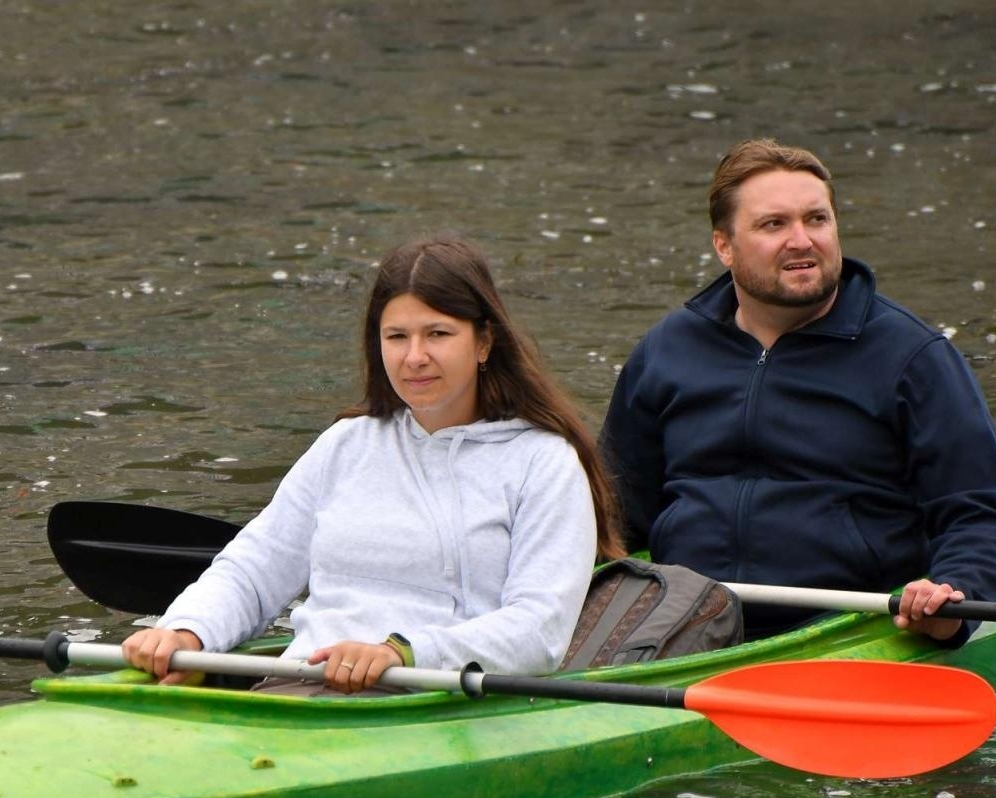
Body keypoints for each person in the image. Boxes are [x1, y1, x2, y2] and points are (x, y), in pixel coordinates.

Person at [123, 235, 624, 692]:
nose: (415, 357)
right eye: (397, 337)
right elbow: (253, 572)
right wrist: (188, 629)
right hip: (305, 685)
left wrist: (400, 651)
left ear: (485, 342)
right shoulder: (345, 445)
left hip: (444, 696)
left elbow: (539, 630)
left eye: (438, 334)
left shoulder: (545, 461)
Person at [601, 138, 996, 645]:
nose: (802, 240)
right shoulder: (666, 349)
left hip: (842, 621)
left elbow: (975, 514)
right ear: (724, 245)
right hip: (685, 616)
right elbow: (619, 512)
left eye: (816, 219)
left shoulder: (913, 356)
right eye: (774, 224)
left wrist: (954, 595)